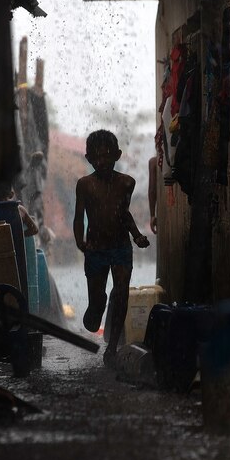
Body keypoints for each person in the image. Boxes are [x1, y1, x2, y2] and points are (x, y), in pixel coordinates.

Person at [73, 129, 150, 367]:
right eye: (96, 157)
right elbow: (78, 217)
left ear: (117, 155)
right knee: (95, 311)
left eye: (107, 156)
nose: (102, 162)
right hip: (95, 249)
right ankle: (97, 307)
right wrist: (79, 241)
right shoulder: (84, 185)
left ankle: (112, 347)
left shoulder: (126, 183)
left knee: (121, 292)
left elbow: (124, 214)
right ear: (88, 158)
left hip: (120, 248)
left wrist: (137, 236)